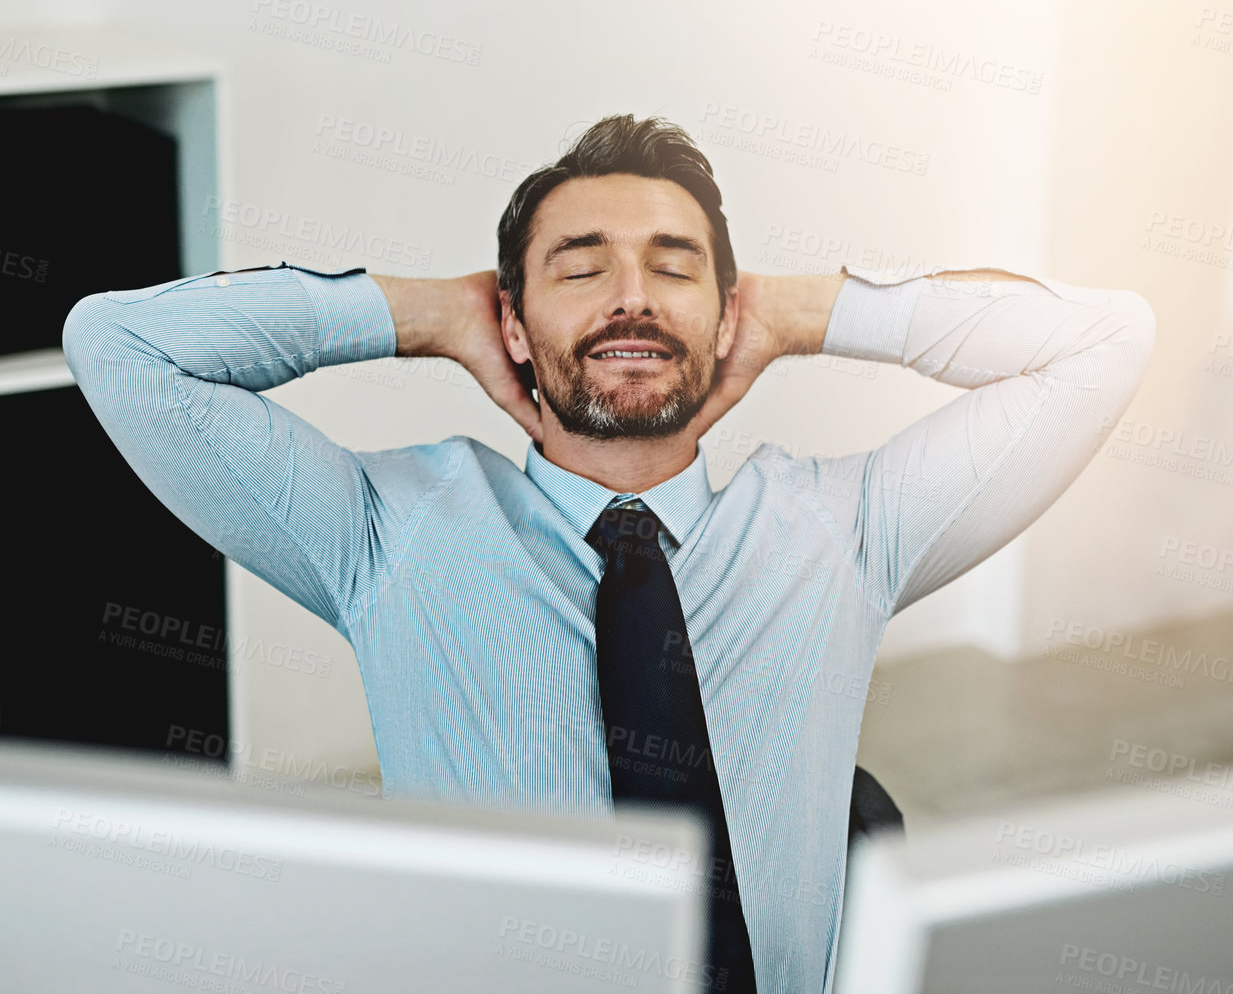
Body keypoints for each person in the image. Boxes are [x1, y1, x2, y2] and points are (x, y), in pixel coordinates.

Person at [63, 115, 1155, 993]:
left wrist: (803, 309)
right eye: (581, 269)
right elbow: (118, 346)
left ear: (725, 317)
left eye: (672, 268)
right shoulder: (389, 530)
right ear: (515, 319)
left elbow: (1106, 342)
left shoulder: (845, 531)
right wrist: (423, 314)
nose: (632, 294)